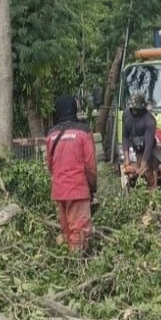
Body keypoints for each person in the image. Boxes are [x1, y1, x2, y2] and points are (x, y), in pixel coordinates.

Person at [45, 94, 98, 252]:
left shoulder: (51, 135)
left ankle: (68, 265)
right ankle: (77, 269)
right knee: (80, 233)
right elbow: (90, 166)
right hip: (78, 190)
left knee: (67, 232)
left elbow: (50, 165)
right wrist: (93, 187)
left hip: (59, 190)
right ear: (74, 108)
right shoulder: (84, 132)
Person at [121, 93, 158, 189]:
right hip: (136, 149)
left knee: (148, 175)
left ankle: (152, 195)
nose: (135, 112)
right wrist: (126, 158)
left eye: (137, 109)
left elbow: (149, 145)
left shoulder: (149, 120)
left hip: (149, 151)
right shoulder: (126, 115)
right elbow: (125, 137)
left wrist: (142, 167)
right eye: (133, 109)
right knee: (131, 176)